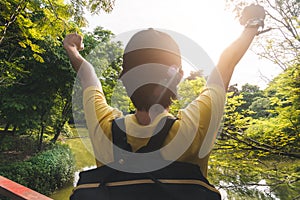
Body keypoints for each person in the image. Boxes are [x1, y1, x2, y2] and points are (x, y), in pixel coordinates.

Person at [64, 3, 265, 194]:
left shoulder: (104, 128)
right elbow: (226, 63)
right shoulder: (192, 130)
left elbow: (87, 76)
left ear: (123, 80)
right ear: (178, 76)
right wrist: (252, 23)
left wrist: (72, 49)